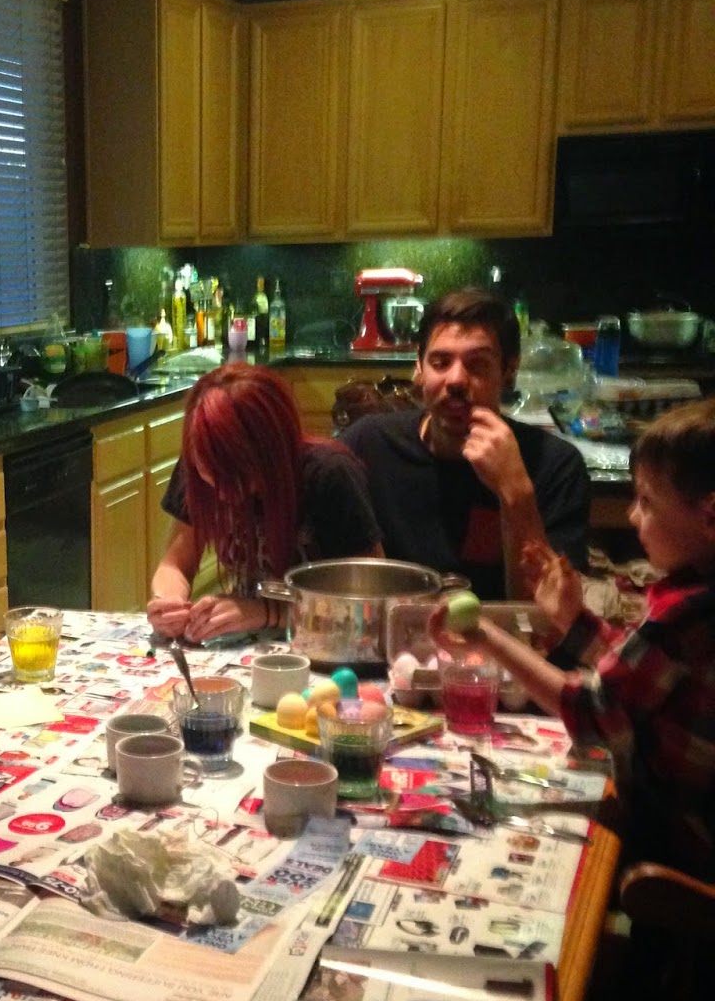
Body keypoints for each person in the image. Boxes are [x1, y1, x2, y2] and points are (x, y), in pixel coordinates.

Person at [433, 398, 715, 879]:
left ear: (709, 516)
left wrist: (487, 637)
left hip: (678, 862)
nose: (631, 516)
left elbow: (590, 710)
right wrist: (572, 621)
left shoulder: (686, 618)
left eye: (646, 502)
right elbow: (640, 679)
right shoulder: (695, 597)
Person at [340, 289, 589, 599]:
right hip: (393, 626)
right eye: (440, 362)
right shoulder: (368, 445)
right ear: (419, 368)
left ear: (509, 371)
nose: (456, 379)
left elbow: (549, 616)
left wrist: (516, 494)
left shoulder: (555, 465)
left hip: (502, 630)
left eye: (477, 365)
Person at [147, 363, 382, 642]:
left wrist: (268, 612)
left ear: (272, 453)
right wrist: (169, 602)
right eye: (210, 477)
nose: (222, 495)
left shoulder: (330, 476)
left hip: (326, 644)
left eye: (236, 479)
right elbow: (174, 565)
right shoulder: (200, 467)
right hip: (249, 642)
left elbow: (370, 607)